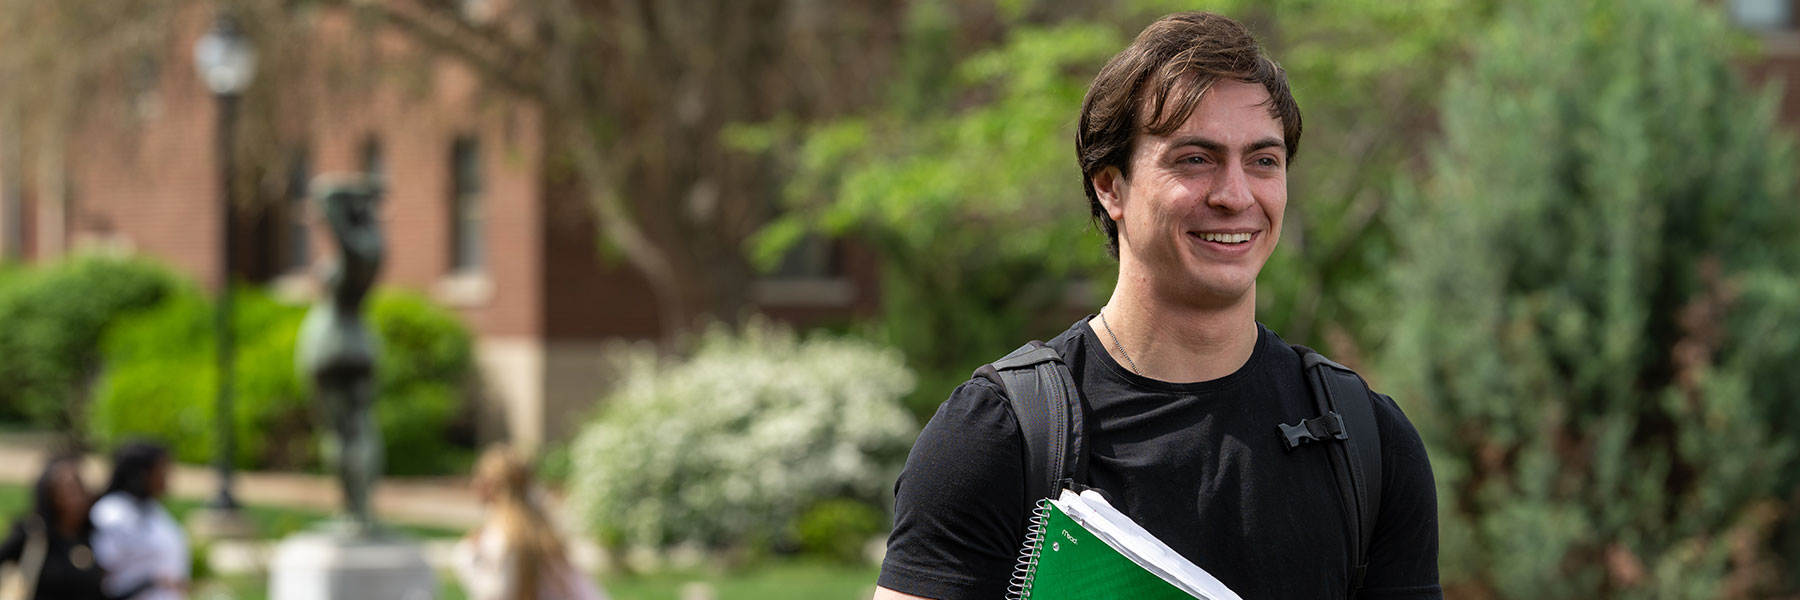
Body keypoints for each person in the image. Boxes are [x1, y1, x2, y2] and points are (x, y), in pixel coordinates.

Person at [874, 12, 1440, 600]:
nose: (1236, 195)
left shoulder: (1369, 440)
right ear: (1109, 186)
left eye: (1263, 161)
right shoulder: (997, 436)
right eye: (1195, 159)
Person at [452, 445, 605, 600]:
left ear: (490, 485)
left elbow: (495, 594)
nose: (474, 483)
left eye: (479, 477)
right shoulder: (541, 528)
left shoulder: (503, 534)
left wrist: (468, 559)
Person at [0, 455, 130, 600]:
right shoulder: (33, 532)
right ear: (50, 495)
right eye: (68, 490)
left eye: (80, 488)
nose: (77, 497)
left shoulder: (94, 535)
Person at [90, 442, 189, 600]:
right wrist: (151, 582)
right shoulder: (112, 513)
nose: (168, 475)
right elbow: (103, 577)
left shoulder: (154, 509)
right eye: (162, 468)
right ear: (143, 473)